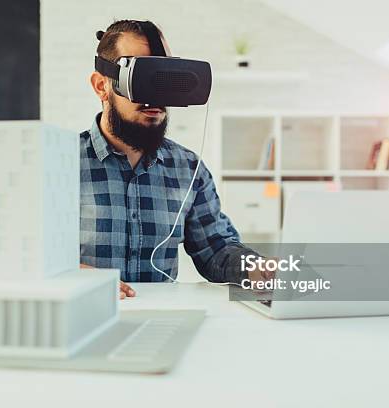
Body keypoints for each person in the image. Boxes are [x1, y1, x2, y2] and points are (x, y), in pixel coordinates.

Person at [81, 20, 270, 299]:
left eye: (164, 77)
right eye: (142, 77)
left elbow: (216, 249)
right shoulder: (56, 165)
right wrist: (72, 273)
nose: (155, 96)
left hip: (160, 320)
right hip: (82, 322)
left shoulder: (189, 169)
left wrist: (258, 268)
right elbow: (20, 257)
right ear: (101, 86)